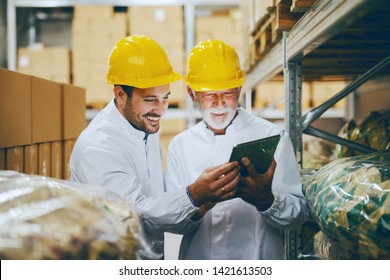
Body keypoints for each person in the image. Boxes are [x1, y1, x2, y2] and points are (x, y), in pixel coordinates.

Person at [70, 35, 240, 258]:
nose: (161, 110)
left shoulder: (144, 126)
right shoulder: (98, 147)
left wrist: (197, 210)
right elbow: (135, 215)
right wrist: (193, 195)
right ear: (121, 95)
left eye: (165, 98)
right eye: (151, 100)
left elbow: (156, 207)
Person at [164, 39, 308, 259]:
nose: (220, 103)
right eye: (209, 94)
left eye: (228, 93)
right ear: (191, 94)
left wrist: (266, 200)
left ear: (239, 89)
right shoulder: (180, 146)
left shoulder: (272, 136)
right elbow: (172, 223)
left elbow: (298, 214)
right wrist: (195, 200)